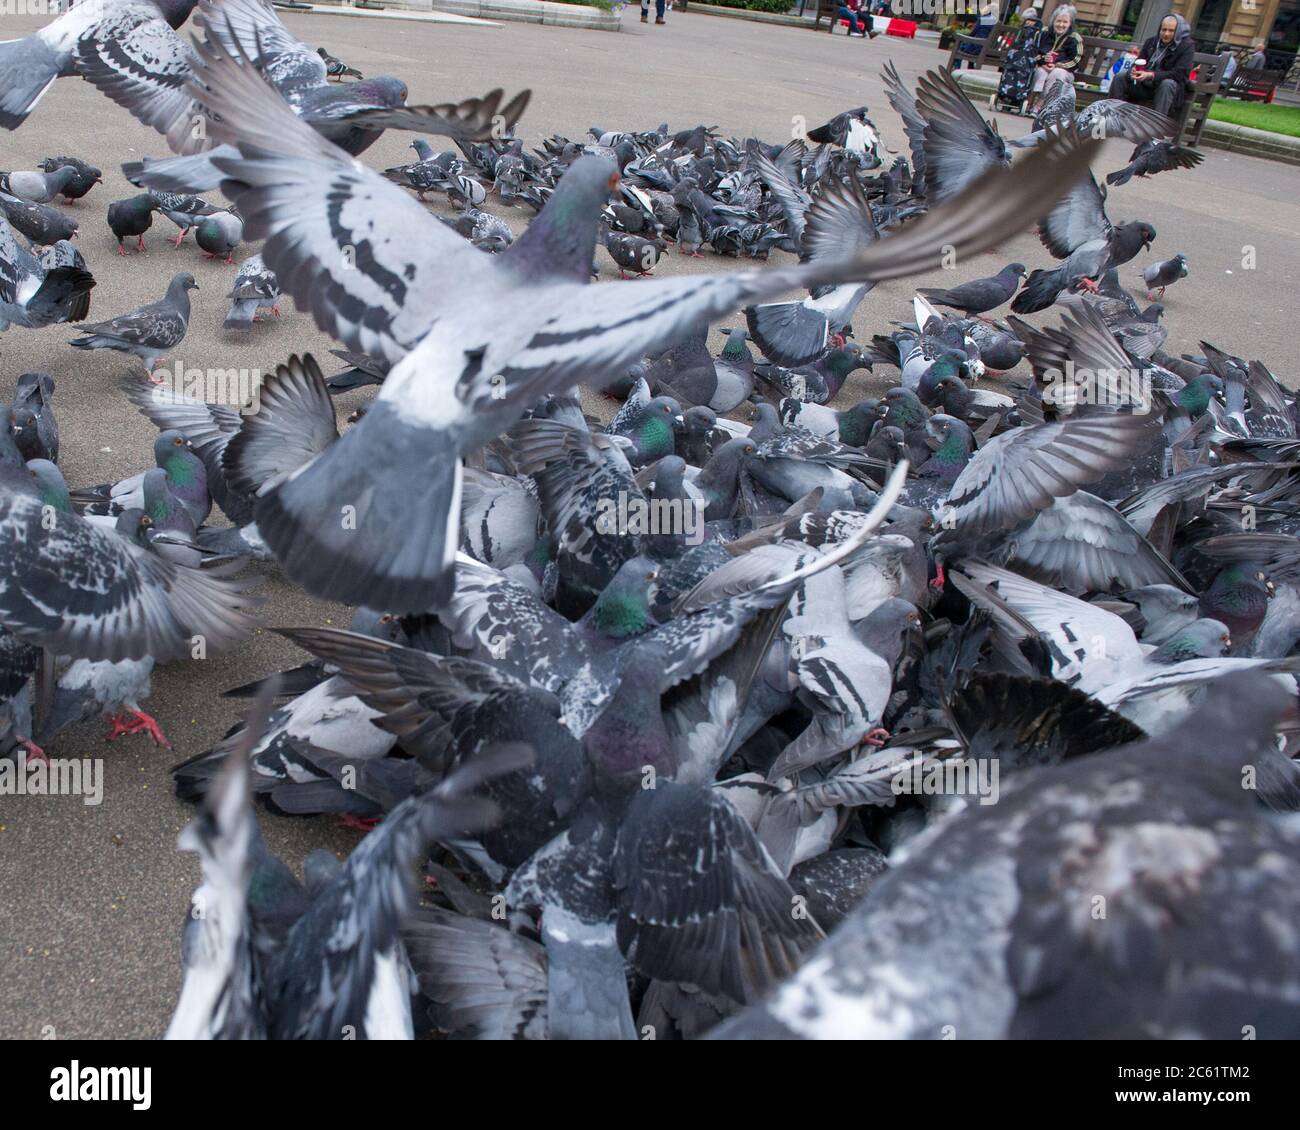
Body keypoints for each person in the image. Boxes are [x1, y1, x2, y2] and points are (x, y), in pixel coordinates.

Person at [1109, 13, 1195, 117]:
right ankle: (1113, 116)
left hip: (1166, 91)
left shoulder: (1187, 46)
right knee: (1120, 76)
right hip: (1144, 85)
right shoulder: (1151, 42)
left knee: (1167, 84)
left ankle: (1156, 124)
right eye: (1164, 30)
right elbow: (1138, 62)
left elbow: (1180, 74)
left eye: (1171, 31)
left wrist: (1151, 75)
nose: (1166, 34)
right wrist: (1133, 71)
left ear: (1179, 31)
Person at [1025, 5, 1082, 115]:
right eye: (1058, 21)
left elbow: (1076, 61)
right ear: (1053, 21)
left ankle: (1041, 106)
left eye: (1065, 22)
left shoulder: (1075, 38)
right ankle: (1028, 103)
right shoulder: (1043, 33)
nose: (1061, 25)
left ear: (1070, 23)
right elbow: (1032, 53)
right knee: (1040, 72)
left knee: (1057, 73)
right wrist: (1043, 61)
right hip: (1043, 67)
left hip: (1064, 72)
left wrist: (1057, 65)